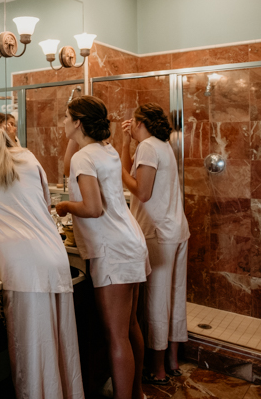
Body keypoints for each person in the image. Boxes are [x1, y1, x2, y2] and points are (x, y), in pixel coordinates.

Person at [0, 109, 83, 398]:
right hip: (53, 254)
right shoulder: (27, 156)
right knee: (62, 345)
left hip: (23, 265)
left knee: (32, 353)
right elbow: (45, 202)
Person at [56, 96, 148, 399]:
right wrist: (75, 135)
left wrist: (66, 205)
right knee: (131, 326)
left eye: (67, 118)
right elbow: (67, 165)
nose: (62, 123)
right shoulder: (103, 150)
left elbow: (93, 208)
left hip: (112, 249)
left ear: (78, 122)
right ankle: (136, 394)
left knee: (115, 335)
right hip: (130, 240)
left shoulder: (87, 156)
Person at [121, 103, 189, 385]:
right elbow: (133, 173)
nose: (129, 127)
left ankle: (158, 369)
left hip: (157, 231)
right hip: (176, 229)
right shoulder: (161, 145)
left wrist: (115, 170)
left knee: (157, 300)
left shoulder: (148, 146)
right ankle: (172, 361)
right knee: (174, 295)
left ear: (140, 123)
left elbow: (142, 191)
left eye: (132, 124)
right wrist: (125, 144)